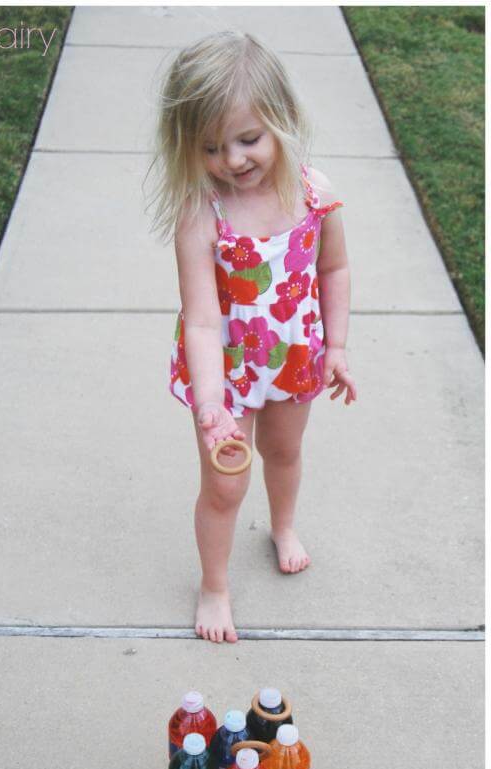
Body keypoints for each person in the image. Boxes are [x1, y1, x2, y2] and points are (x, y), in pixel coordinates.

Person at [150, 31, 357, 644]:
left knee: (286, 453)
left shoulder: (313, 193)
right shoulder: (201, 214)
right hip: (228, 370)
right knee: (224, 483)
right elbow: (203, 317)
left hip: (296, 356)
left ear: (282, 122)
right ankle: (215, 586)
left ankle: (283, 526)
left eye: (249, 139)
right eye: (211, 147)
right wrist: (211, 403)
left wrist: (337, 346)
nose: (233, 160)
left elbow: (334, 269)